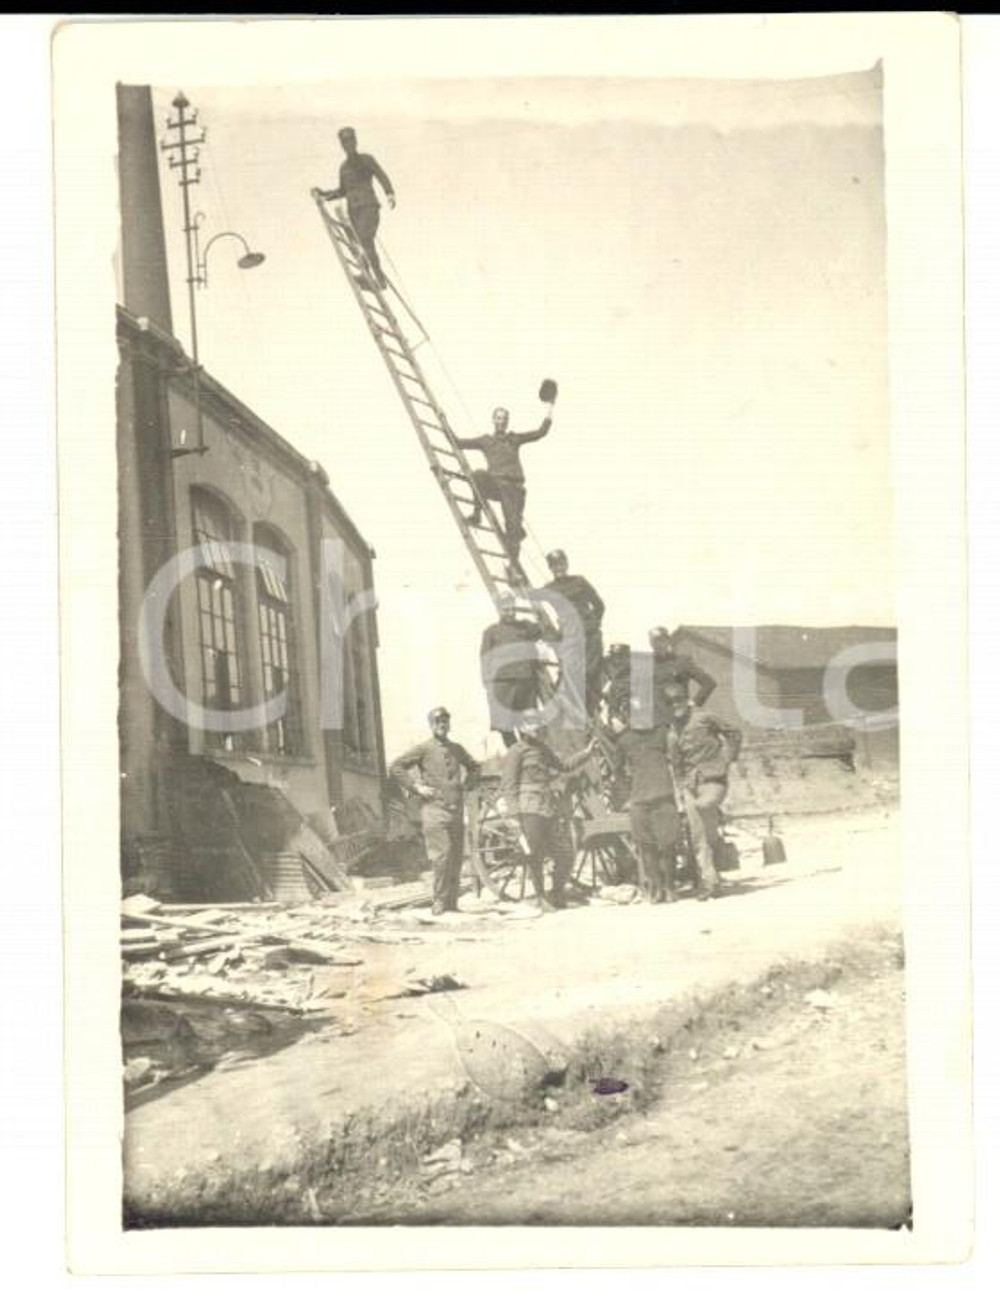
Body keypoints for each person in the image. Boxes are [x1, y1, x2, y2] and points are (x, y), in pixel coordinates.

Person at [390, 706, 480, 916]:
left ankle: (451, 903)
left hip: (456, 810)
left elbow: (475, 767)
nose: (442, 725)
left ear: (449, 724)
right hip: (434, 810)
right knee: (442, 857)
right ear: (431, 725)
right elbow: (396, 767)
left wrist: (467, 786)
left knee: (457, 856)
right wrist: (416, 787)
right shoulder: (424, 748)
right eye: (437, 722)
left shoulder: (457, 749)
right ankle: (439, 902)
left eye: (445, 721)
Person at [500, 715, 594, 912]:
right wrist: (514, 817)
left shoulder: (543, 749)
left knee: (564, 852)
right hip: (529, 808)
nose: (536, 729)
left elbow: (564, 766)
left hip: (548, 807)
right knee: (535, 854)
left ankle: (557, 892)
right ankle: (540, 897)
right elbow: (508, 786)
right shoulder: (516, 752)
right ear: (523, 729)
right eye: (532, 726)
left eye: (538, 725)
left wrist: (587, 753)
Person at [663, 683, 743, 901]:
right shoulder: (672, 734)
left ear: (686, 700)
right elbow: (677, 765)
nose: (675, 706)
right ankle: (710, 882)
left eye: (679, 700)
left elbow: (734, 732)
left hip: (714, 780)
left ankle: (717, 829)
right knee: (698, 836)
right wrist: (681, 789)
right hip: (691, 786)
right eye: (670, 703)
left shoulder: (705, 718)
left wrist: (728, 758)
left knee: (704, 809)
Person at [455, 399, 555, 562]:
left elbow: (540, 432)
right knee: (478, 475)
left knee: (512, 529)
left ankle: (514, 563)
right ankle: (476, 514)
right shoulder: (485, 440)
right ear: (494, 420)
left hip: (514, 489)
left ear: (507, 422)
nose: (501, 421)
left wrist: (550, 409)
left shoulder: (514, 439)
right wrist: (442, 418)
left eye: (504, 418)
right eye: (498, 418)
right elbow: (459, 442)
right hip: (496, 485)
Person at [609, 717, 681, 904]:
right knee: (646, 845)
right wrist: (627, 796)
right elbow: (617, 771)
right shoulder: (624, 740)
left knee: (668, 844)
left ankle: (670, 887)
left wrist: (679, 786)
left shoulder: (663, 733)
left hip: (664, 795)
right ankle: (656, 889)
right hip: (639, 800)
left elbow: (677, 759)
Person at [317, 127, 396, 289]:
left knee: (364, 240)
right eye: (345, 143)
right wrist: (324, 195)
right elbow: (342, 191)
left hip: (369, 208)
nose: (348, 145)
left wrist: (389, 193)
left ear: (356, 141)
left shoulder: (366, 160)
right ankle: (372, 277)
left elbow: (381, 175)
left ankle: (375, 278)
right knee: (363, 244)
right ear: (342, 145)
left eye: (351, 141)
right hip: (354, 212)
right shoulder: (344, 168)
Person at [480, 593, 552, 747]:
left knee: (529, 723)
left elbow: (540, 630)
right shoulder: (491, 631)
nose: (509, 612)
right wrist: (487, 684)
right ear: (500, 609)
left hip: (525, 682)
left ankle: (531, 756)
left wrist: (536, 616)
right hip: (502, 685)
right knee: (504, 725)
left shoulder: (524, 626)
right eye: (506, 609)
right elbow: (485, 658)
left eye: (512, 608)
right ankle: (516, 753)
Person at [544, 550, 606, 717]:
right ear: (550, 568)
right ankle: (579, 710)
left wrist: (593, 624)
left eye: (561, 563)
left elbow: (599, 604)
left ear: (567, 563)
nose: (559, 568)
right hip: (570, 636)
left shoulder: (579, 581)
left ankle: (592, 710)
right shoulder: (549, 589)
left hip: (589, 633)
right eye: (555, 565)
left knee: (592, 671)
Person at [647, 627, 717, 725]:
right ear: (650, 644)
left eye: (661, 640)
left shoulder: (682, 661)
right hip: (655, 718)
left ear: (668, 641)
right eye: (654, 641)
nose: (658, 644)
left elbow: (709, 683)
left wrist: (693, 702)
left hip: (678, 716)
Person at [602, 642, 633, 725]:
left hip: (626, 713)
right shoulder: (606, 667)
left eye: (621, 657)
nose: (617, 661)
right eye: (614, 657)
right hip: (609, 710)